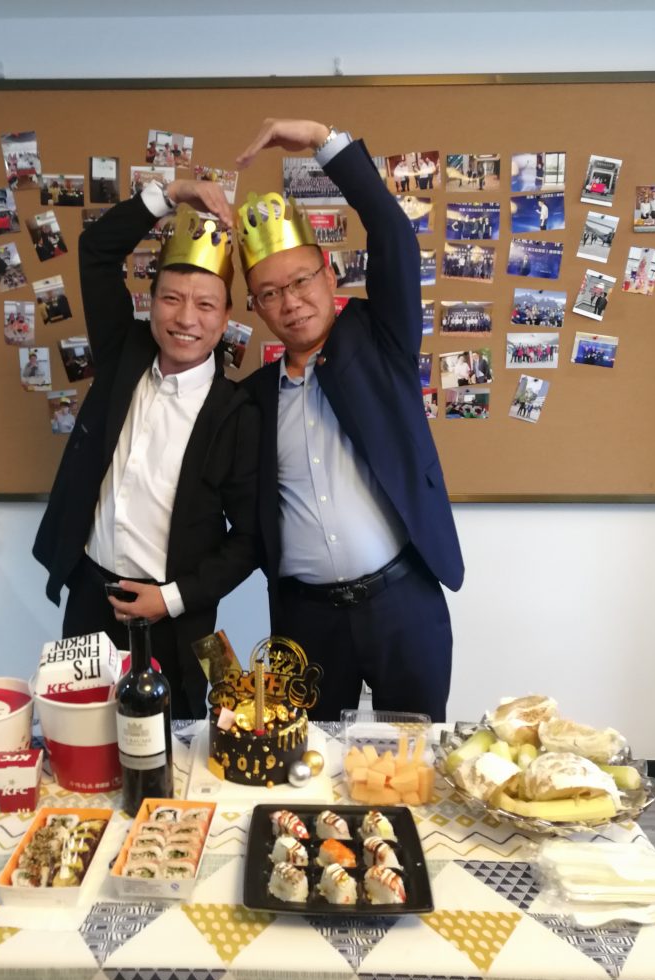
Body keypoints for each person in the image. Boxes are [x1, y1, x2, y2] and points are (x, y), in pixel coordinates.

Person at [236, 118, 463, 722]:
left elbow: (392, 232)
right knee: (305, 764)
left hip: (401, 602)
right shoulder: (252, 399)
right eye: (270, 293)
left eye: (301, 280)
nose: (291, 302)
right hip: (306, 621)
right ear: (257, 308)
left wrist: (321, 139)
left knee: (412, 758)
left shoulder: (379, 339)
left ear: (329, 273)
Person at [33, 177, 260, 718]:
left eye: (205, 304)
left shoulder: (236, 413)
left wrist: (172, 598)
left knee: (174, 751)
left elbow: (251, 539)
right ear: (151, 302)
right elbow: (96, 250)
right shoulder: (124, 354)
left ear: (225, 316)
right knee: (79, 734)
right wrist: (172, 193)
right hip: (91, 599)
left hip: (176, 618)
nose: (186, 319)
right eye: (171, 299)